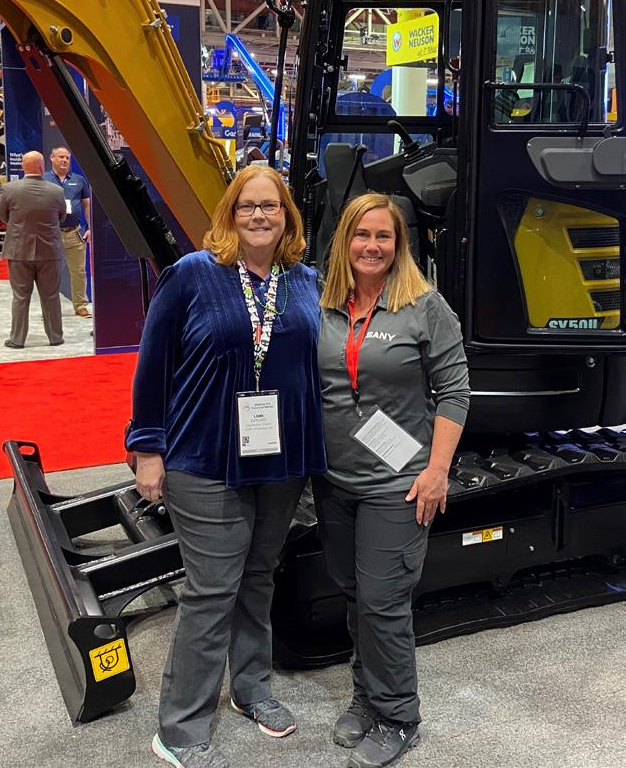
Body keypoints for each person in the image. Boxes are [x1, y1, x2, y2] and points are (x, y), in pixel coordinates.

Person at [126, 164, 326, 768]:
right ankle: (180, 726)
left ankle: (251, 687)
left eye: (271, 206)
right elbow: (153, 363)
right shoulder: (191, 275)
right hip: (203, 456)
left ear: (287, 216)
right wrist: (147, 447)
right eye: (248, 206)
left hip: (281, 459)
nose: (260, 215)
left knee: (259, 575)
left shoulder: (305, 281)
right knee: (212, 589)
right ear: (230, 214)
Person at [315, 192, 470, 768]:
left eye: (384, 236)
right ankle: (366, 697)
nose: (372, 246)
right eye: (362, 235)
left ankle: (399, 716)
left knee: (383, 601)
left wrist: (437, 472)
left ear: (399, 244)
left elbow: (455, 391)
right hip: (335, 480)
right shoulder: (325, 304)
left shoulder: (424, 306)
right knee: (355, 594)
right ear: (344, 242)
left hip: (398, 483)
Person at [0, 151, 66, 349]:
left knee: (20, 297)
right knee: (51, 296)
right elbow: (62, 217)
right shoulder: (56, 191)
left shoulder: (9, 189)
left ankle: (17, 339)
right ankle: (55, 337)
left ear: (23, 166)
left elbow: (3, 216)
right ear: (42, 167)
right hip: (49, 251)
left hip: (18, 251)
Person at [44, 145, 91, 317]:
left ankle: (80, 305)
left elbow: (87, 206)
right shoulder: (44, 179)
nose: (64, 160)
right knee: (49, 272)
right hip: (51, 234)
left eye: (67, 158)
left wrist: (90, 228)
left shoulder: (79, 180)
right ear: (52, 158)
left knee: (79, 272)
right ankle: (49, 307)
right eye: (61, 157)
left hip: (74, 233)